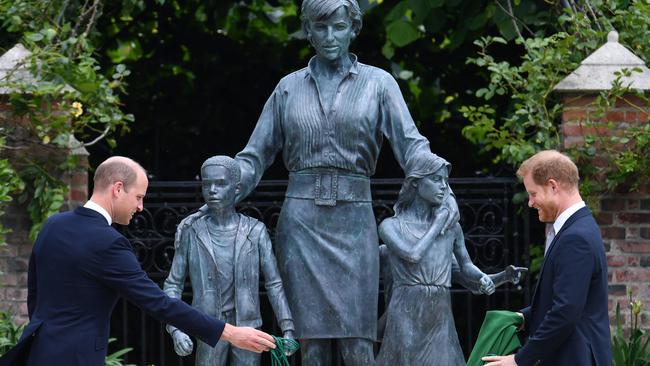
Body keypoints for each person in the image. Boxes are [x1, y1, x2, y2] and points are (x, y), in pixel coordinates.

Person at [186, 1, 458, 364]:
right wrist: (223, 192)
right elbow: (254, 156)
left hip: (355, 222)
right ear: (308, 31)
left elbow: (412, 146)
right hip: (301, 225)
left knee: (359, 341)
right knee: (310, 343)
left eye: (339, 27)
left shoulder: (379, 84)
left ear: (353, 29)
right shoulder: (288, 88)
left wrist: (443, 188)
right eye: (321, 27)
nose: (330, 37)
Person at [0, 156, 275, 366]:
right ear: (118, 188)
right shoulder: (108, 242)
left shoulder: (53, 226)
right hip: (78, 357)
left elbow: (35, 294)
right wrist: (229, 333)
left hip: (37, 351)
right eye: (139, 197)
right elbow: (159, 302)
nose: (141, 207)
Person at [482, 150, 611, 366]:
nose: (530, 203)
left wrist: (518, 360)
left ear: (553, 186)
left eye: (533, 194)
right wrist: (524, 318)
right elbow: (567, 301)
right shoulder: (577, 228)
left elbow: (565, 313)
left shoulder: (575, 237)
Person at [163, 156, 295, 365]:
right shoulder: (192, 232)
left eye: (221, 183)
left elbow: (274, 283)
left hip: (248, 327)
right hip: (207, 326)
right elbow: (173, 284)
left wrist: (287, 328)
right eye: (207, 184)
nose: (212, 190)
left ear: (237, 188)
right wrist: (175, 329)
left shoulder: (255, 231)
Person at [374, 151, 495, 365]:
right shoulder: (391, 226)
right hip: (406, 309)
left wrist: (482, 277)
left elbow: (465, 265)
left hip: (439, 311)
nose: (443, 187)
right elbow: (413, 255)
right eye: (436, 179)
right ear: (415, 183)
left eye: (446, 181)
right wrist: (437, 224)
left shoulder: (452, 228)